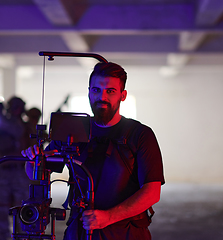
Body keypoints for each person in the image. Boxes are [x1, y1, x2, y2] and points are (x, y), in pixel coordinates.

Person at [22, 62, 165, 240]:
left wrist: (108, 217)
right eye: (96, 90)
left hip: (125, 231)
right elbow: (37, 174)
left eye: (110, 91)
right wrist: (33, 160)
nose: (101, 97)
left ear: (123, 95)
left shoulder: (140, 134)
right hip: (80, 230)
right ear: (89, 91)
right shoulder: (72, 129)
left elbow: (152, 192)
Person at [0, 97, 31, 240]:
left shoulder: (18, 124)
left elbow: (18, 132)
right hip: (3, 172)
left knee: (23, 211)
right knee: (2, 209)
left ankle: (22, 237)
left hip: (20, 172)